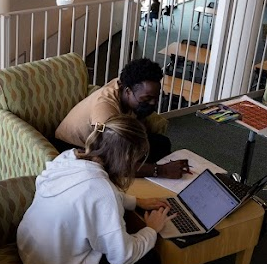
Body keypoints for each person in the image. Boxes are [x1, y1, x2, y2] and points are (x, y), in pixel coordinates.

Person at [18, 117, 169, 264]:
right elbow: (122, 257)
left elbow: (89, 194)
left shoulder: (69, 158)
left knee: (121, 225)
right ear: (127, 157)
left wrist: (135, 201)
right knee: (150, 261)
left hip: (29, 249)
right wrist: (151, 229)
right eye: (137, 159)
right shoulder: (104, 193)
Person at [55, 57, 190, 179]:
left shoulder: (125, 85)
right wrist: (161, 171)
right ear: (128, 92)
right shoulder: (105, 111)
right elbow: (109, 160)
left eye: (156, 98)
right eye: (147, 99)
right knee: (117, 165)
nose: (153, 104)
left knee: (161, 143)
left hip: (110, 140)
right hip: (74, 147)